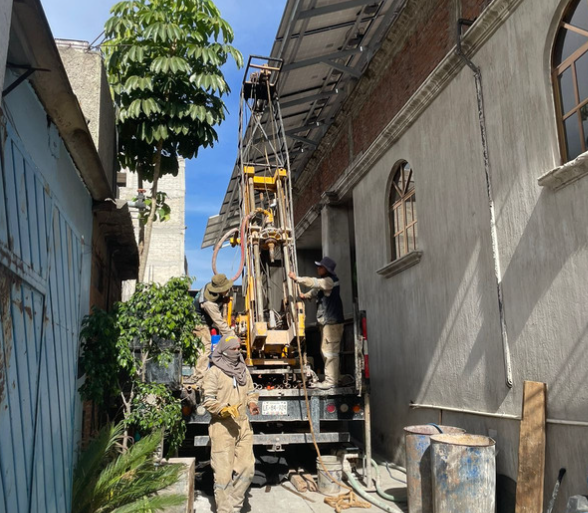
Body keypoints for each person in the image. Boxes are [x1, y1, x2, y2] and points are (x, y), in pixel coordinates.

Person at [202, 334, 260, 513]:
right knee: (223, 475)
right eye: (233, 349)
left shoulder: (243, 370)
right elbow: (208, 400)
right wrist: (223, 410)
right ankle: (225, 510)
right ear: (224, 351)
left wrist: (252, 403)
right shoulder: (214, 373)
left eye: (238, 349)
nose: (237, 352)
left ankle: (234, 507)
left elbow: (251, 391)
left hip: (243, 425)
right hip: (222, 426)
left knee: (247, 469)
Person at [288, 256, 344, 389]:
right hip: (328, 323)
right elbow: (315, 291)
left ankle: (331, 381)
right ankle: (335, 378)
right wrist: (305, 296)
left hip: (332, 324)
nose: (318, 269)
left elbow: (314, 283)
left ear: (326, 269)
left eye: (320, 267)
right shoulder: (325, 283)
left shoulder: (329, 281)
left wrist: (297, 278)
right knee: (328, 351)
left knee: (330, 352)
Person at [193, 273, 235, 389]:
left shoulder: (210, 288)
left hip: (203, 321)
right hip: (199, 324)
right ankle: (200, 380)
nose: (227, 290)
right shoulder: (209, 303)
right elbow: (219, 322)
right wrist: (232, 337)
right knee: (204, 349)